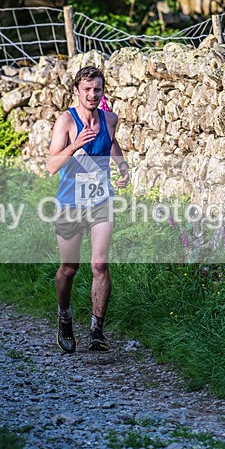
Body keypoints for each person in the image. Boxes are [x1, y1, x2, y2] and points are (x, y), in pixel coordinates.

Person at [46, 66, 129, 353]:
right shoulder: (65, 122)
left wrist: (122, 165)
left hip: (100, 200)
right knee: (69, 269)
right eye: (87, 90)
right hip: (70, 204)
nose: (93, 95)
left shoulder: (110, 119)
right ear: (76, 92)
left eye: (97, 89)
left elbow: (112, 142)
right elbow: (50, 165)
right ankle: (65, 317)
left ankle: (97, 330)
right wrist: (74, 146)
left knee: (99, 264)